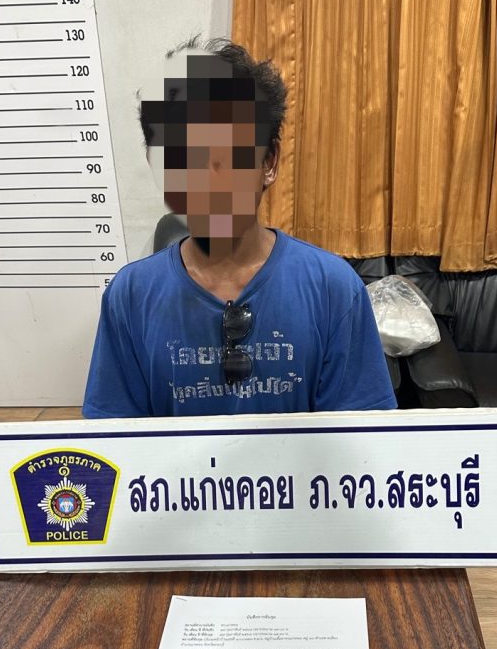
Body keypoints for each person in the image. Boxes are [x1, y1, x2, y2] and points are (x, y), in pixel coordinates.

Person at [82, 37, 397, 418]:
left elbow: (358, 440)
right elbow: (114, 439)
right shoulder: (130, 297)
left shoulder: (333, 290)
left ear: (269, 161)